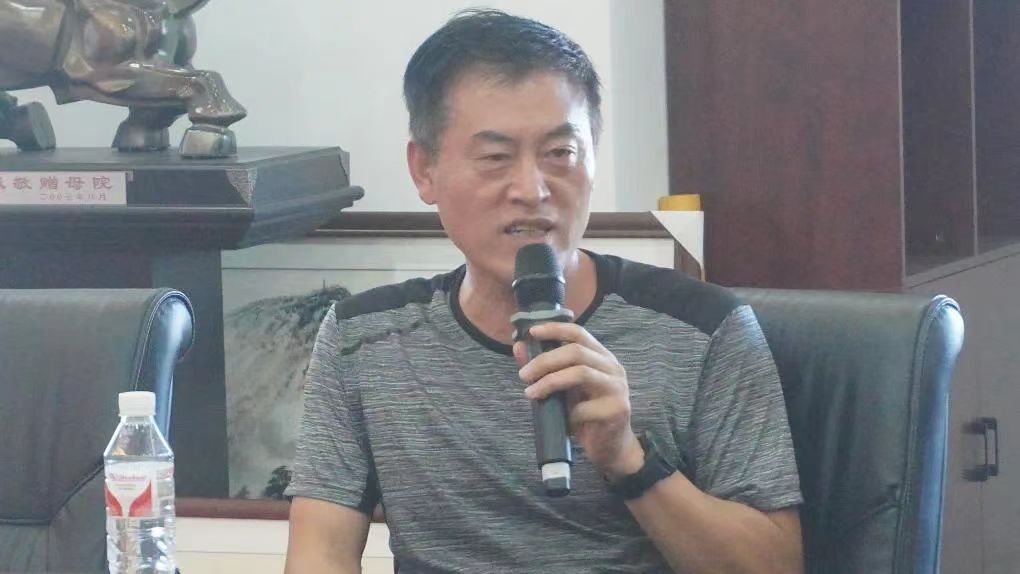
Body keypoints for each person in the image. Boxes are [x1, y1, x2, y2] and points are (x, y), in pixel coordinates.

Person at [284, 9, 803, 573]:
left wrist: (629, 458)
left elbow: (774, 568)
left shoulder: (704, 329)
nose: (532, 190)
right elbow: (320, 553)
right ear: (424, 169)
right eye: (495, 158)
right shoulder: (363, 340)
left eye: (560, 153)